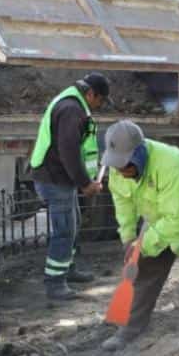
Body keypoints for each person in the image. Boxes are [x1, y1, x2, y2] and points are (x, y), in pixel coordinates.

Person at [101, 120, 179, 352]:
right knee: (144, 270)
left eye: (125, 165)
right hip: (163, 219)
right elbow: (123, 203)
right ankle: (130, 330)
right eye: (117, 165)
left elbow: (175, 219)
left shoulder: (169, 164)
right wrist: (128, 239)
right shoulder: (116, 168)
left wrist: (144, 245)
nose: (121, 171)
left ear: (139, 154)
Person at [29, 73, 110, 301]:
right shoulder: (72, 110)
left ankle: (67, 268)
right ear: (91, 93)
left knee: (72, 225)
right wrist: (85, 183)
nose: (99, 105)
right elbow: (69, 152)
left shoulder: (71, 103)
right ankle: (55, 283)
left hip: (58, 177)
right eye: (100, 100)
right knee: (64, 230)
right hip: (54, 179)